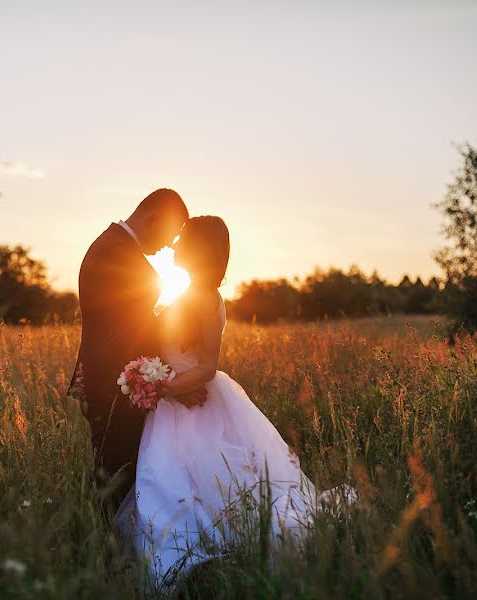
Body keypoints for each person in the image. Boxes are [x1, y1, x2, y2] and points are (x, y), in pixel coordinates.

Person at [115, 216, 358, 587]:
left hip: (196, 402)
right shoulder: (181, 294)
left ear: (198, 249)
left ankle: (206, 552)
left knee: (208, 476)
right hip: (173, 401)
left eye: (183, 241)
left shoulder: (209, 300)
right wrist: (155, 378)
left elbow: (208, 367)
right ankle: (182, 555)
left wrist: (165, 387)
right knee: (166, 478)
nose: (175, 246)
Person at [68, 189, 207, 510]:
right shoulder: (113, 253)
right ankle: (110, 552)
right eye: (168, 235)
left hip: (123, 385)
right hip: (114, 388)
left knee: (124, 477)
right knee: (116, 479)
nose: (165, 248)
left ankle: (119, 545)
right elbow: (126, 334)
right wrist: (167, 382)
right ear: (152, 218)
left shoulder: (117, 247)